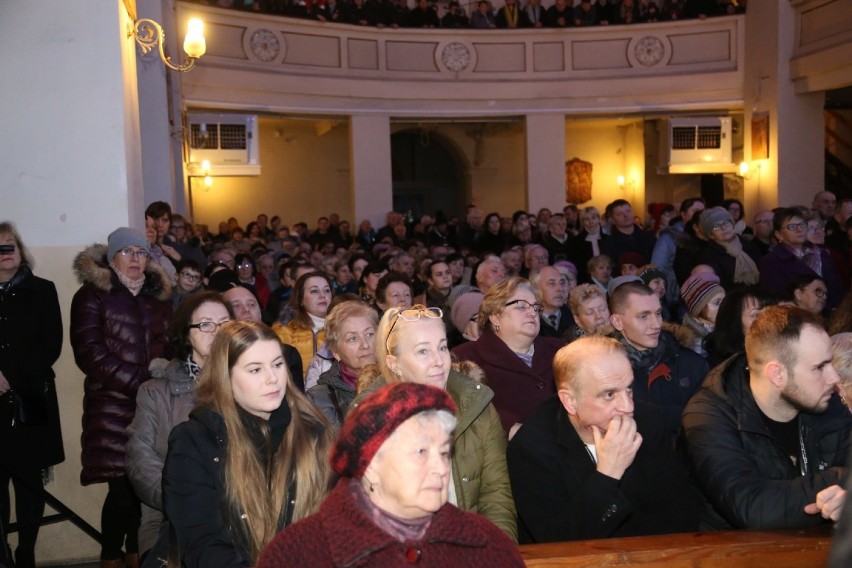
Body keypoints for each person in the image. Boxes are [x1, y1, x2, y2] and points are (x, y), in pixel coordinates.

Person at [258, 383, 524, 567]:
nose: (441, 468)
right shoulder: (299, 554)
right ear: (371, 465)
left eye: (443, 453)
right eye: (421, 451)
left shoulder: (486, 544)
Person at [162, 321, 334, 567]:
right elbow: (203, 544)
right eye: (255, 370)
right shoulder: (194, 442)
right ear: (226, 377)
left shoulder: (314, 432)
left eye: (277, 364)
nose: (272, 379)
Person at [507, 337, 702, 543]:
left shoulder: (648, 421)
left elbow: (682, 510)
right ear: (570, 401)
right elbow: (558, 539)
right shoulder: (532, 448)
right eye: (609, 394)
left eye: (629, 389)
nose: (628, 406)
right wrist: (608, 474)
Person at [681, 305, 852, 529]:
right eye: (820, 367)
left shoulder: (824, 399)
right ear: (777, 374)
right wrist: (840, 481)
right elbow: (752, 506)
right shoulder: (706, 417)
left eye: (830, 361)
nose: (833, 377)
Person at [357, 304, 517, 539]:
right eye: (423, 351)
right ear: (395, 364)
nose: (438, 361)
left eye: (442, 347)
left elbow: (496, 496)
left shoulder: (477, 406)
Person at [70, 227, 172, 568]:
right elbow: (90, 353)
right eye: (127, 252)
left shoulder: (157, 297)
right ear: (112, 256)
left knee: (143, 487)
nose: (135, 259)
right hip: (111, 404)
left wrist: (164, 379)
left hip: (153, 404)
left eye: (141, 253)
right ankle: (111, 556)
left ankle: (136, 554)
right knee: (122, 489)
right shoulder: (92, 295)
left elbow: (170, 345)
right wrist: (139, 382)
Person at [126, 292, 231, 561]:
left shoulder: (250, 384)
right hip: (169, 519)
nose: (217, 332)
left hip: (241, 515)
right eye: (206, 324)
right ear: (186, 335)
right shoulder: (155, 392)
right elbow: (140, 460)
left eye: (225, 323)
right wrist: (189, 500)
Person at [0, 222, 64, 568]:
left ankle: (27, 551)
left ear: (20, 249)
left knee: (28, 482)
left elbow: (50, 345)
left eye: (9, 245)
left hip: (30, 399)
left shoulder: (42, 290)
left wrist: (11, 377)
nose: (5, 253)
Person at [453, 277, 564, 436]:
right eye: (521, 307)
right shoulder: (465, 358)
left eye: (535, 307)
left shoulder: (560, 350)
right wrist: (510, 426)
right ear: (495, 317)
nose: (532, 313)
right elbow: (467, 410)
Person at [608, 282, 708, 439]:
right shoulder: (599, 370)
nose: (656, 324)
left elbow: (706, 425)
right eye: (643, 316)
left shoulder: (692, 364)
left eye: (658, 313)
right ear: (617, 322)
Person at [306, 300, 377, 427]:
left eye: (370, 334)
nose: (365, 345)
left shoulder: (399, 383)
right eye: (353, 339)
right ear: (335, 351)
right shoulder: (318, 399)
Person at [760, 207, 845, 311]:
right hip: (797, 317)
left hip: (831, 313)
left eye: (802, 225)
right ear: (778, 234)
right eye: (792, 226)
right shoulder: (772, 261)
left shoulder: (821, 253)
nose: (799, 229)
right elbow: (775, 298)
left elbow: (837, 287)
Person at [273, 271, 331, 375]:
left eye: (327, 290)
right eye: (314, 291)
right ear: (301, 299)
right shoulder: (284, 331)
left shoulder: (343, 328)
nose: (323, 295)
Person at [704, 287, 772, 367]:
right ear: (734, 322)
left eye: (769, 312)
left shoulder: (777, 354)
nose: (766, 318)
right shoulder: (720, 368)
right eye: (755, 315)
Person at [697, 206, 762, 290]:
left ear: (732, 225)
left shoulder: (750, 246)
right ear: (711, 235)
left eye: (726, 223)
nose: (723, 228)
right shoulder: (707, 255)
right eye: (716, 227)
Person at [679, 274, 725, 357]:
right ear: (700, 309)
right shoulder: (696, 344)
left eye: (724, 301)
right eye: (717, 303)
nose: (724, 306)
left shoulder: (724, 328)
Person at [530, 266, 574, 338]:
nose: (560, 288)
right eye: (551, 283)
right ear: (536, 289)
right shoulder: (529, 320)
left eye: (562, 283)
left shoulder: (574, 316)